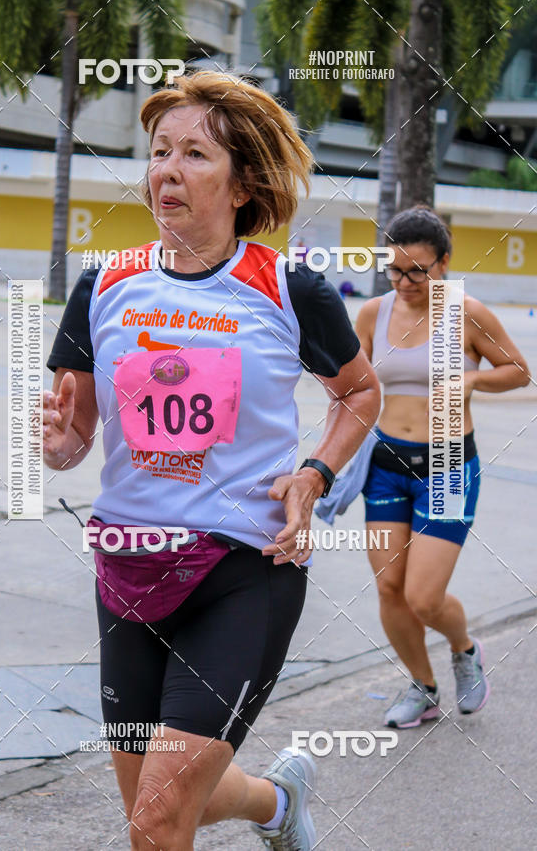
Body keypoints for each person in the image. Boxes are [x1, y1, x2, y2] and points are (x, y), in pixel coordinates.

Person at [43, 71, 381, 850]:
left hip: (245, 569)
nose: (168, 170)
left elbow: (358, 392)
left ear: (242, 184)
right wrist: (62, 447)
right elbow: (75, 434)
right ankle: (276, 802)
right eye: (160, 152)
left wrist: (315, 472)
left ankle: (269, 803)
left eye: (195, 154)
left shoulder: (290, 290)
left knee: (159, 818)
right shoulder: (103, 287)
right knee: (156, 813)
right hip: (128, 568)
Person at [356, 206, 530, 729]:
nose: (405, 282)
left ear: (446, 263)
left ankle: (464, 648)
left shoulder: (468, 314)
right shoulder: (372, 314)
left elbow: (518, 371)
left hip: (450, 464)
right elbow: (355, 387)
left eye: (419, 270)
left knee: (423, 596)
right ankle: (423, 687)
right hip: (386, 463)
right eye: (395, 269)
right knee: (389, 589)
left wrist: (474, 380)